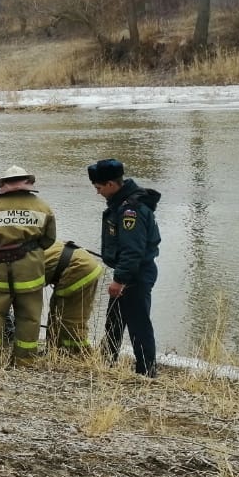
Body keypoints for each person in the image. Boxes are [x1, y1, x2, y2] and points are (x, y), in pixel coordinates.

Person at [0, 165, 57, 366]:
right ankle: (25, 360)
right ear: (27, 182)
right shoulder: (42, 207)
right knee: (29, 316)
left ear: (4, 184)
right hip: (30, 269)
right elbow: (49, 240)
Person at [88, 158, 161, 377]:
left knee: (138, 324)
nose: (98, 192)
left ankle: (147, 371)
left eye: (99, 188)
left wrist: (119, 280)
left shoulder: (131, 211)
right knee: (114, 320)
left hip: (135, 275)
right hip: (129, 271)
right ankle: (107, 362)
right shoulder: (122, 204)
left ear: (111, 184)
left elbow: (133, 251)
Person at [43, 240, 103, 353]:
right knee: (56, 312)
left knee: (70, 319)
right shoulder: (27, 246)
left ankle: (80, 354)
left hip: (79, 269)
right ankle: (55, 351)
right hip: (80, 263)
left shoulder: (14, 261)